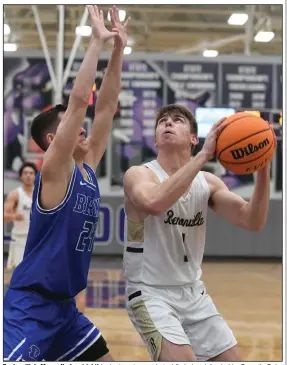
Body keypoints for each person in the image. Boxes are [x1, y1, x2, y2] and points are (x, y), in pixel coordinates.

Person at [4, 5, 130, 362]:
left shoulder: (87, 166)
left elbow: (104, 108)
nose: (84, 127)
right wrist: (95, 42)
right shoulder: (57, 169)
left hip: (64, 311)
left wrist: (118, 50)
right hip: (31, 306)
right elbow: (79, 103)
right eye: (72, 126)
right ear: (51, 141)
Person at [122, 104, 272, 362]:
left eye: (177, 120)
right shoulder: (139, 175)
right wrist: (203, 156)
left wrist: (263, 166)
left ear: (193, 138)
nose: (167, 123)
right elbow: (154, 203)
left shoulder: (208, 183)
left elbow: (252, 221)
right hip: (148, 293)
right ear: (156, 139)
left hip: (193, 293)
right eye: (162, 122)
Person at [4, 162, 38, 270]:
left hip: (36, 239)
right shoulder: (15, 194)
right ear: (21, 176)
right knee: (18, 273)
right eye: (25, 173)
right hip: (19, 239)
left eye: (31, 173)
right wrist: (14, 216)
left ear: (35, 176)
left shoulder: (40, 194)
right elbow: (4, 215)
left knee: (36, 272)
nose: (28, 175)